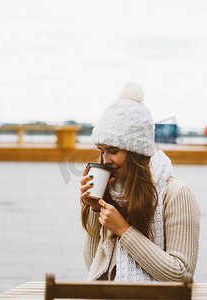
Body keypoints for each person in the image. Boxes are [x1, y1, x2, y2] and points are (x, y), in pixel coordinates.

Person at [80, 82, 200, 282]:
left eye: (113, 151)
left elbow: (181, 274)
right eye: (102, 151)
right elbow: (93, 264)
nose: (105, 160)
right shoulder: (113, 189)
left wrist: (123, 230)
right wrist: (95, 208)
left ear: (136, 152)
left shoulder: (176, 193)